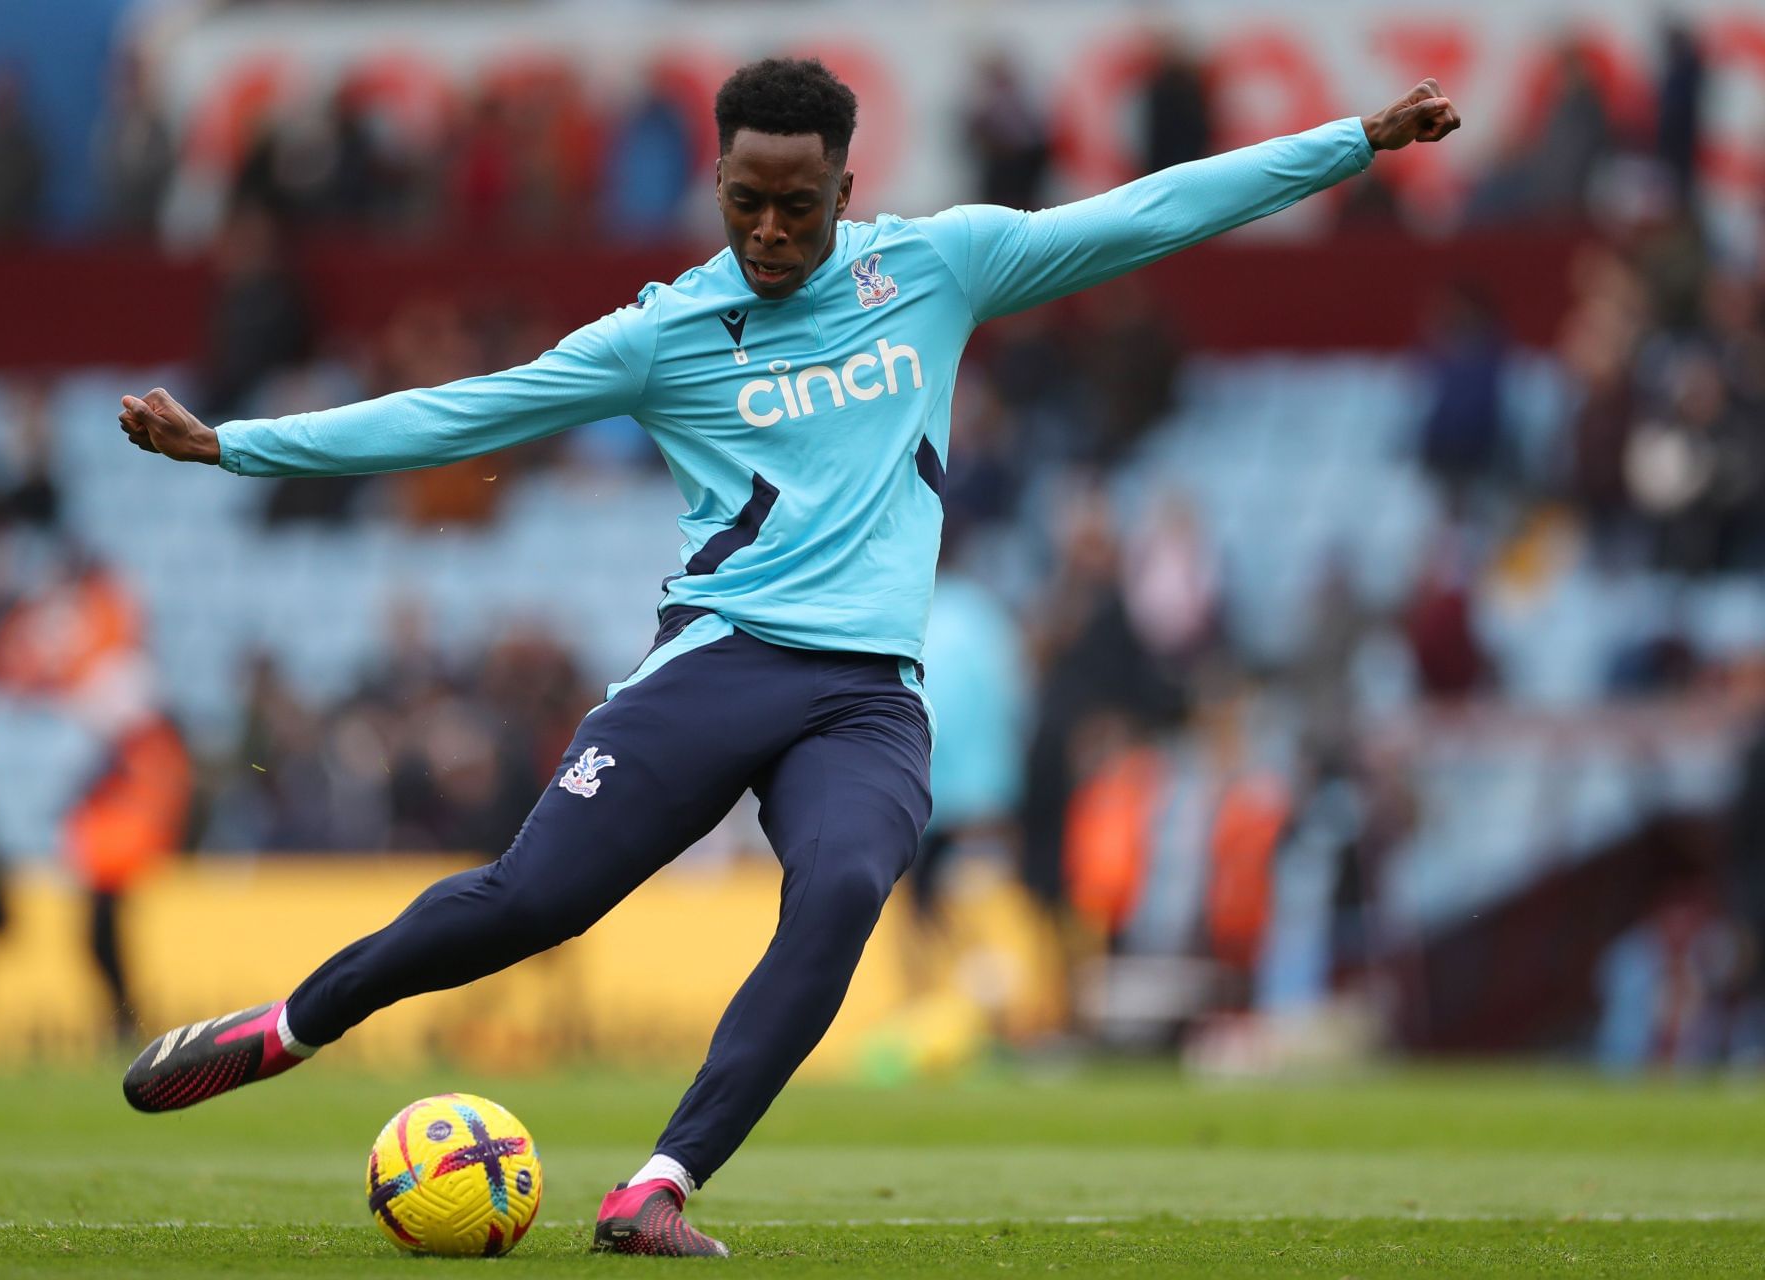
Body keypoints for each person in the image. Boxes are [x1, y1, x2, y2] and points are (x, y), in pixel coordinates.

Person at [113, 58, 1459, 1256]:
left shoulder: (937, 268)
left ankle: (657, 1189)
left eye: (796, 206)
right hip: (714, 666)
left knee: (844, 886)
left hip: (866, 697)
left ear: (845, 185)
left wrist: (1354, 140)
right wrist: (237, 443)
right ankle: (282, 1029)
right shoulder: (665, 334)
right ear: (717, 179)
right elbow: (466, 414)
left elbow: (1149, 213)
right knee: (534, 905)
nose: (768, 229)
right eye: (745, 201)